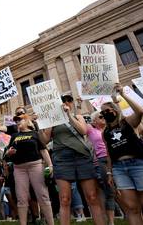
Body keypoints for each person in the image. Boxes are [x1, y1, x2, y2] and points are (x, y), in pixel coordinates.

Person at [40, 94, 105, 225]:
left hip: (82, 157)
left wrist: (69, 115)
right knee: (64, 199)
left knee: (92, 196)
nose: (67, 102)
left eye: (70, 100)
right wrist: (43, 124)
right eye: (64, 101)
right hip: (62, 159)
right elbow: (44, 141)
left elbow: (83, 130)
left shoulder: (78, 117)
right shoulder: (53, 121)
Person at [101, 83, 143, 225]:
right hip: (119, 169)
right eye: (102, 113)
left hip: (138, 164)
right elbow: (108, 153)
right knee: (132, 208)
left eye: (106, 110)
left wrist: (123, 94)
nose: (104, 114)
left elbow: (140, 111)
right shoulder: (105, 132)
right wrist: (109, 173)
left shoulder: (127, 123)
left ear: (114, 110)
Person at [4, 114, 54, 225]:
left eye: (20, 120)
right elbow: (7, 153)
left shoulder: (35, 134)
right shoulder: (14, 136)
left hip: (35, 166)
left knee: (43, 195)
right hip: (19, 168)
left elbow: (43, 150)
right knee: (21, 198)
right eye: (16, 121)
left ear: (27, 121)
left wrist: (50, 165)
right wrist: (9, 153)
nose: (17, 122)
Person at [87, 111, 115, 225]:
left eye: (103, 116)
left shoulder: (110, 129)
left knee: (116, 190)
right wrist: (78, 106)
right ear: (94, 121)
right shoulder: (91, 130)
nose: (103, 118)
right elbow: (78, 120)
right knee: (108, 190)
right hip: (101, 161)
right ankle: (109, 221)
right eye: (100, 116)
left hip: (114, 159)